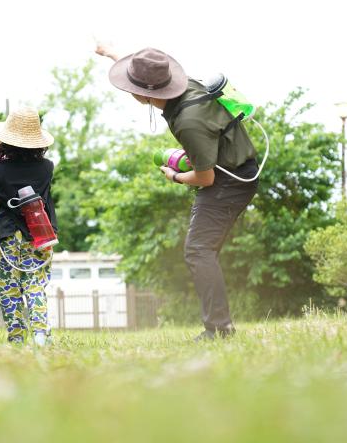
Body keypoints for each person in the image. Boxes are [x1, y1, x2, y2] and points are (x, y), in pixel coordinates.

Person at [95, 43, 259, 341]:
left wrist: (175, 176)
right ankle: (219, 326)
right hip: (231, 166)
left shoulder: (188, 121)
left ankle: (219, 330)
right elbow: (138, 68)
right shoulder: (187, 87)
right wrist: (110, 53)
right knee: (203, 249)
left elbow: (206, 178)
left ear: (145, 94)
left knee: (199, 250)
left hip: (230, 181)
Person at [0, 106, 57, 346]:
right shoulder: (47, 168)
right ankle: (40, 334)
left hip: (6, 234)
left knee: (9, 288)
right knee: (35, 284)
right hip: (39, 233)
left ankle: (17, 337)